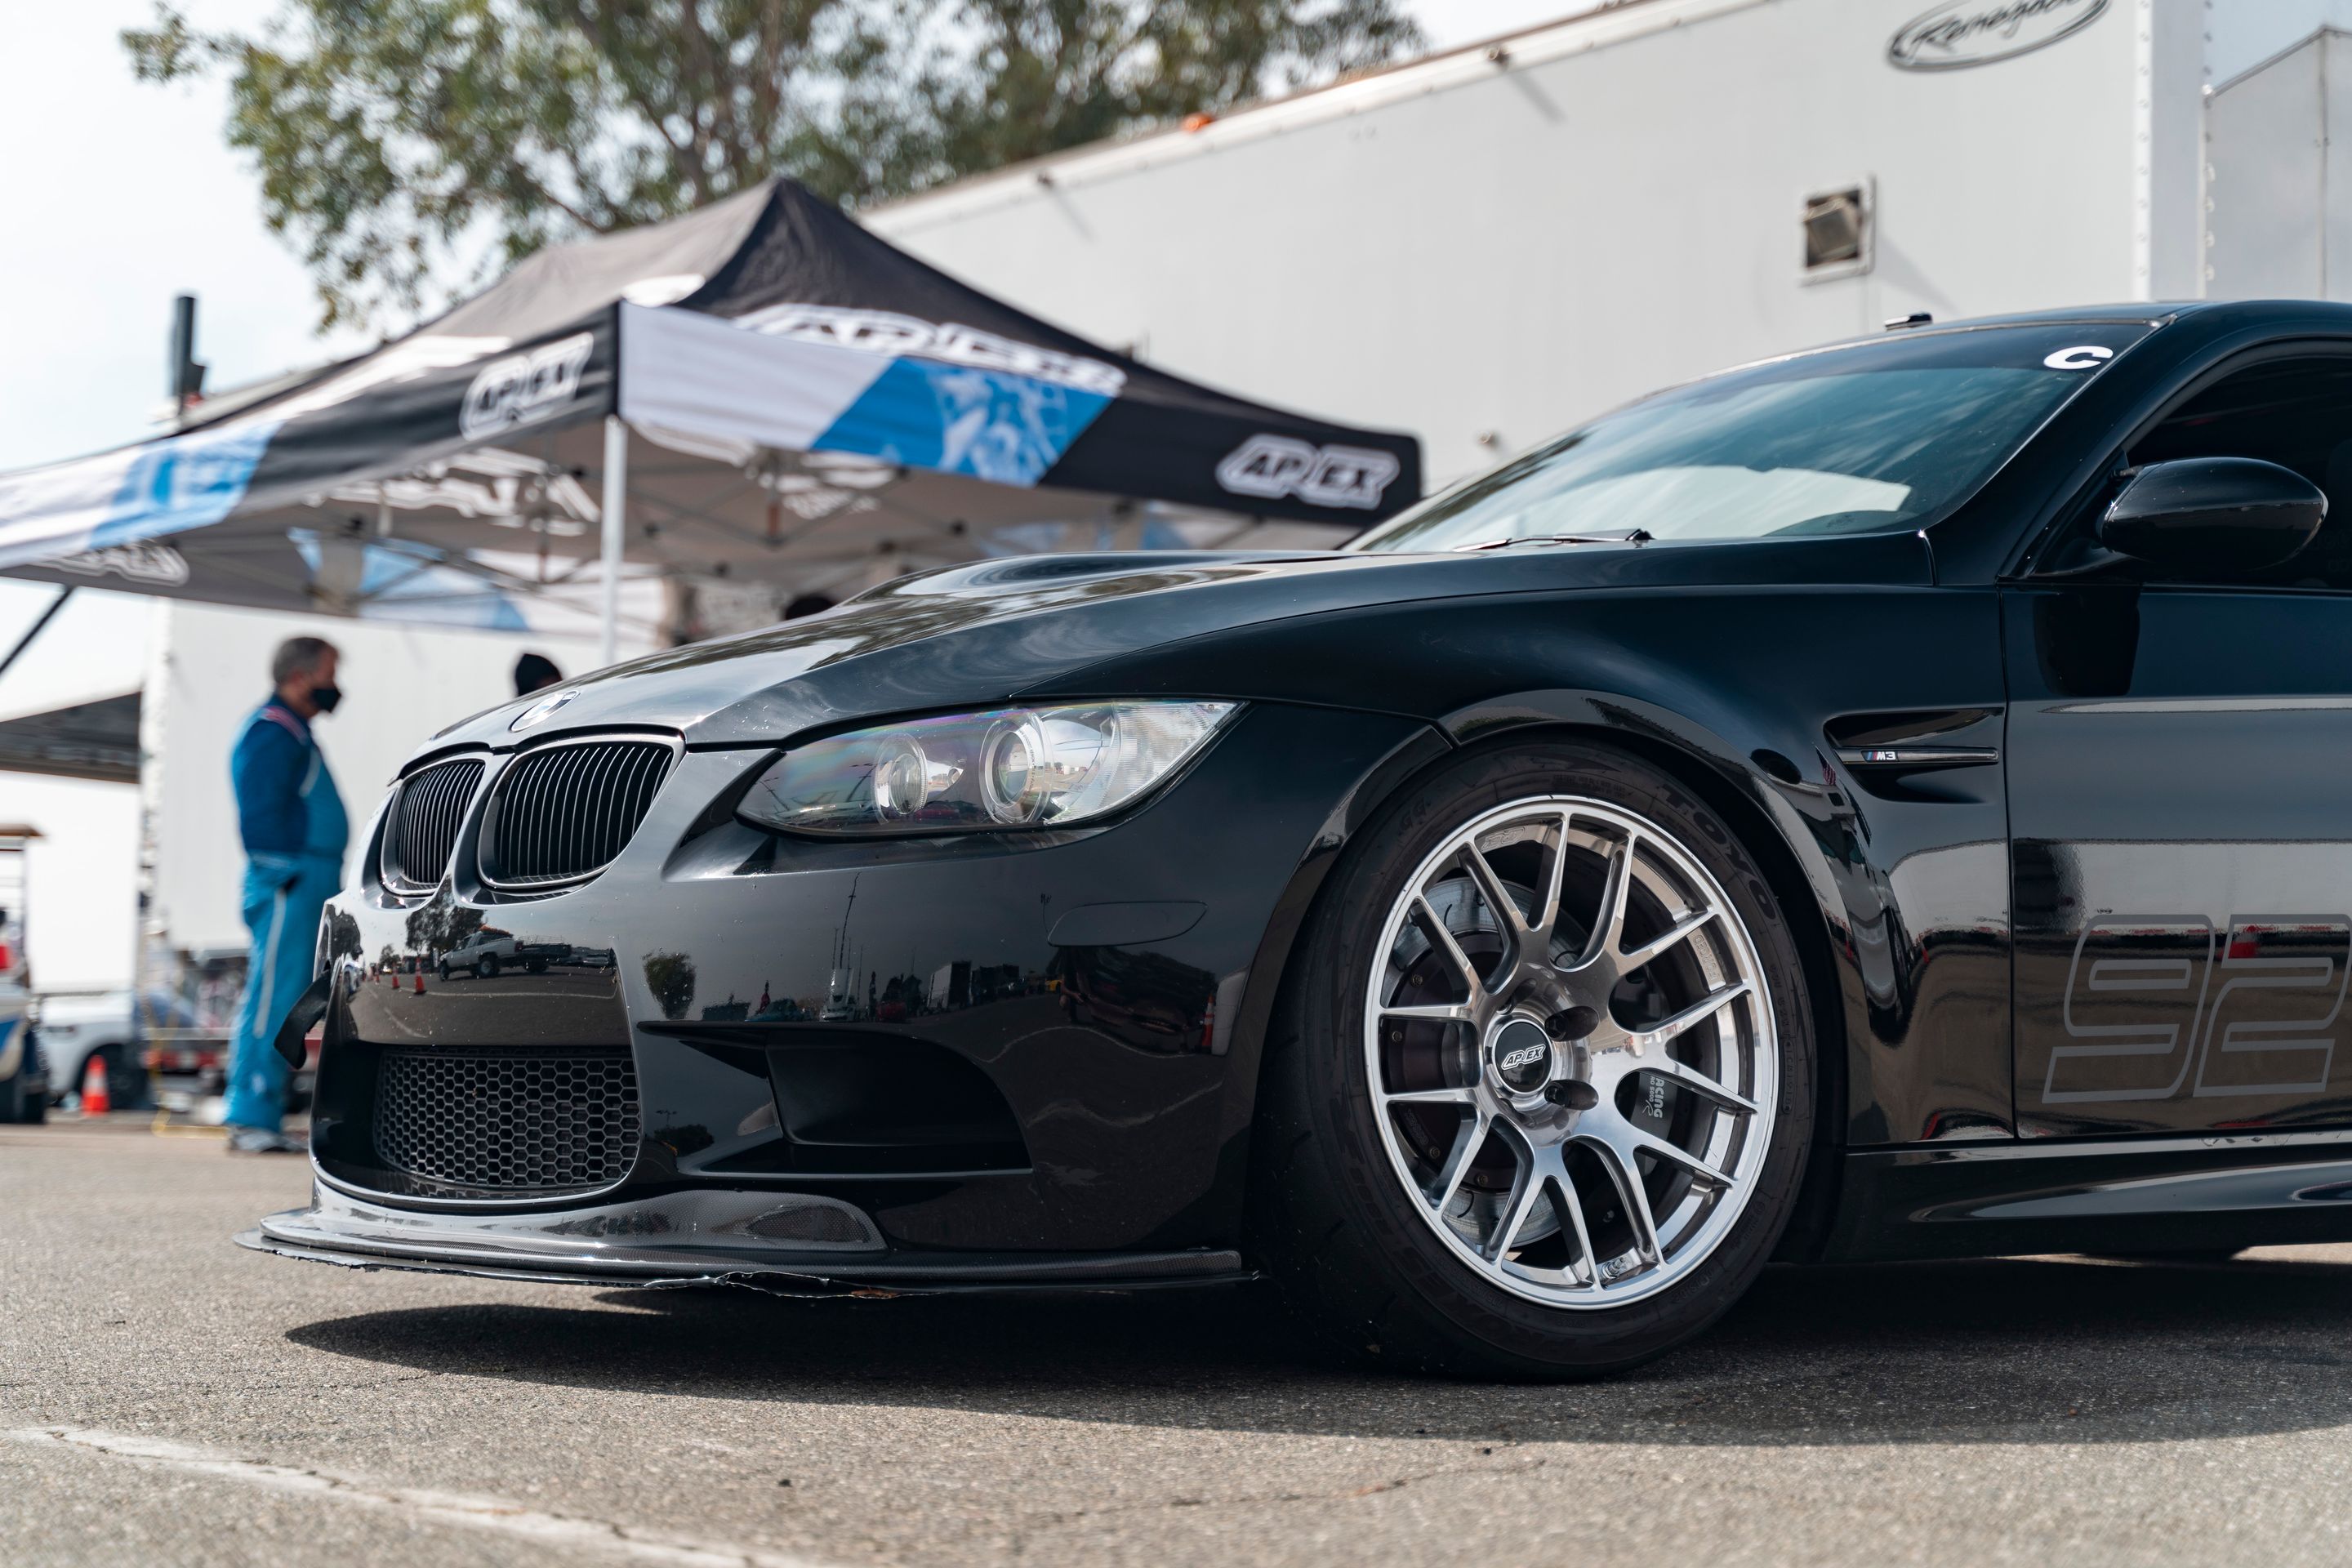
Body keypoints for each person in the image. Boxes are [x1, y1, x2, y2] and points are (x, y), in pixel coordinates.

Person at [224, 636, 349, 1153]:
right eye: (328, 674)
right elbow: (259, 812)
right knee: (271, 998)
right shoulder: (272, 733)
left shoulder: (296, 733)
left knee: (290, 1001)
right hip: (289, 884)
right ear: (300, 678)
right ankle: (250, 1113)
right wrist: (282, 873)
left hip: (307, 880)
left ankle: (266, 1114)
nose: (335, 687)